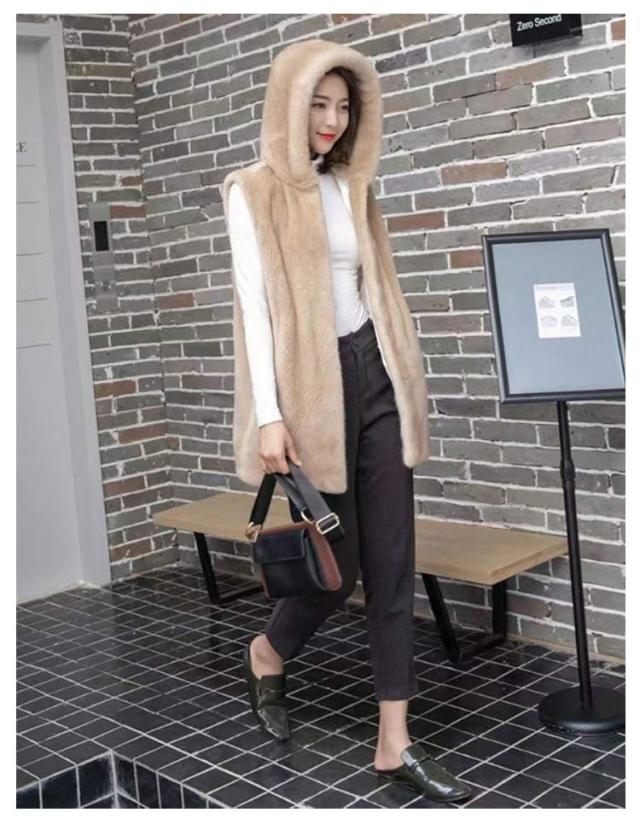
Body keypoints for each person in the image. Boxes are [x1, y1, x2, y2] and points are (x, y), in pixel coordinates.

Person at [222, 38, 472, 803]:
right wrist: (269, 417)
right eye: (317, 105)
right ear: (289, 106)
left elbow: (374, 286)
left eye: (341, 107)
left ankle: (394, 742)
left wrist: (400, 365)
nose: (330, 121)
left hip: (375, 375)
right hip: (309, 391)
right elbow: (256, 312)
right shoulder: (252, 190)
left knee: (393, 561)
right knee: (342, 568)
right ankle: (269, 651)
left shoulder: (354, 186)